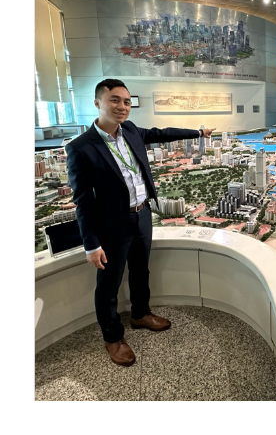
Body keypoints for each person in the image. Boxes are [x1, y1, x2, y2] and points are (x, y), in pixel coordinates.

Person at [65, 79, 213, 366]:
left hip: (142, 215)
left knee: (140, 270)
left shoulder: (131, 130)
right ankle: (112, 337)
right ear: (98, 103)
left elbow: (162, 133)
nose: (122, 107)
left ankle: (140, 314)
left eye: (127, 101)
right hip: (112, 225)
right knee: (108, 284)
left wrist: (198, 132)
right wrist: (90, 244)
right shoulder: (81, 148)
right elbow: (82, 200)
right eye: (115, 100)